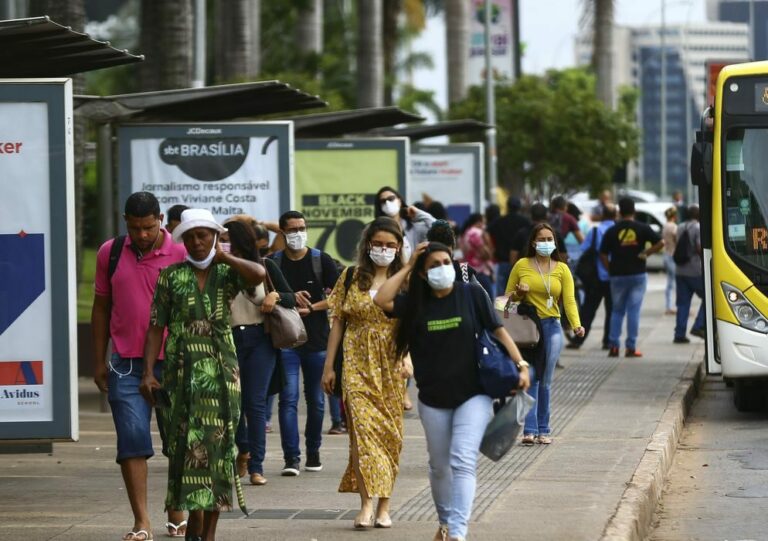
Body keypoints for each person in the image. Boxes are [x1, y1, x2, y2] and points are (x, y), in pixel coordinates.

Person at [374, 241, 530, 541]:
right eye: (433, 265)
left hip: (474, 393)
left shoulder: (471, 294)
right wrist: (407, 265)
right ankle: (445, 523)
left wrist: (521, 364)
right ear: (422, 274)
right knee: (439, 466)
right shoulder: (415, 303)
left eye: (446, 262)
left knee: (462, 459)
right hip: (433, 399)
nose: (442, 268)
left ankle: (457, 532)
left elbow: (498, 329)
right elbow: (381, 300)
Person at [140, 208, 266, 541]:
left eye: (204, 235)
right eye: (191, 237)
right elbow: (156, 327)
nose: (197, 242)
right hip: (180, 376)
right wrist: (148, 372)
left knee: (217, 454)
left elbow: (258, 275)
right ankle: (193, 525)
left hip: (222, 378)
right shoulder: (170, 276)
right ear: (183, 240)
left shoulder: (227, 273)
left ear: (214, 237)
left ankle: (207, 533)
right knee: (184, 454)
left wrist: (225, 258)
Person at [91, 191, 187, 541]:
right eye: (135, 228)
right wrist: (97, 360)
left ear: (161, 220)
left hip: (174, 363)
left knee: (178, 440)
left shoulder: (181, 252)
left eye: (148, 227)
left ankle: (176, 509)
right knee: (131, 441)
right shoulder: (111, 252)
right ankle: (142, 521)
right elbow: (101, 306)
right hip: (125, 365)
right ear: (125, 223)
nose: (142, 235)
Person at [321, 217, 410, 529]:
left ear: (399, 248)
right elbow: (337, 322)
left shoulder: (406, 281)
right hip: (356, 364)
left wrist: (409, 358)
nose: (383, 250)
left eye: (390, 245)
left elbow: (411, 325)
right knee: (361, 436)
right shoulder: (350, 277)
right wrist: (329, 366)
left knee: (389, 437)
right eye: (378, 244)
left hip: (391, 367)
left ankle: (385, 506)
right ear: (367, 245)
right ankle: (366, 504)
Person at [270, 210, 345, 474]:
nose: (298, 234)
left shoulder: (320, 260)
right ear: (282, 233)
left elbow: (339, 296)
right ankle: (292, 458)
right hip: (286, 340)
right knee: (287, 399)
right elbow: (264, 296)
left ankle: (313, 451)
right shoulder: (273, 262)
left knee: (316, 400)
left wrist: (313, 308)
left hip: (317, 341)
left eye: (301, 228)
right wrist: (285, 298)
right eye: (291, 230)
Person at [223, 218, 296, 485]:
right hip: (227, 339)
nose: (223, 245)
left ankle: (257, 466)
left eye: (228, 239)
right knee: (233, 403)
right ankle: (243, 449)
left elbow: (289, 297)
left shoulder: (264, 266)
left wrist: (274, 296)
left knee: (255, 403)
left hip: (259, 339)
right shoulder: (216, 269)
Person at [506, 223, 584, 445]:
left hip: (552, 327)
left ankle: (544, 429)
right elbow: (505, 301)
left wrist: (577, 325)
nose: (546, 243)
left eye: (550, 239)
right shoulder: (522, 265)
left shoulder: (562, 268)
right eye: (542, 239)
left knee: (545, 379)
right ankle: (529, 430)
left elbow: (569, 300)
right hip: (528, 329)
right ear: (533, 242)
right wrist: (519, 295)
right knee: (531, 378)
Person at [599, 198, 664, 357]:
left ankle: (614, 346)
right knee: (633, 311)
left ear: (619, 212)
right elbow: (661, 242)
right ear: (634, 211)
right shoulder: (642, 228)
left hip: (617, 275)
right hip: (637, 274)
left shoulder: (612, 231)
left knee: (617, 311)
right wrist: (646, 253)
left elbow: (602, 253)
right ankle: (631, 347)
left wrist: (610, 269)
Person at [567, 203, 616, 350]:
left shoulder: (595, 231)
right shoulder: (617, 231)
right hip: (614, 277)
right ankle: (608, 341)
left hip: (596, 278)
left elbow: (583, 249)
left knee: (588, 309)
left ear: (602, 216)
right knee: (612, 310)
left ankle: (578, 340)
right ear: (615, 216)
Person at [673, 205, 706, 343]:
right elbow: (699, 247)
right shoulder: (697, 228)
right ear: (698, 215)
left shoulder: (680, 227)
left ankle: (679, 334)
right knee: (710, 297)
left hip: (680, 270)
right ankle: (699, 325)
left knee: (683, 303)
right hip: (694, 271)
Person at [375, 185, 435, 259]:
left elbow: (439, 229)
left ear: (399, 201)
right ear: (380, 207)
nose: (387, 203)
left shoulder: (413, 228)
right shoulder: (376, 230)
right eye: (383, 201)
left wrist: (419, 213)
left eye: (391, 198)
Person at [487, 196, 531, 291]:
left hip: (503, 262)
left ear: (507, 207)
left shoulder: (499, 221)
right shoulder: (525, 222)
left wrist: (492, 249)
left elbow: (486, 232)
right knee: (518, 293)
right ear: (519, 207)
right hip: (520, 263)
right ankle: (514, 307)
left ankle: (502, 306)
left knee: (502, 293)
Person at [427, 219, 479, 284]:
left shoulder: (424, 272)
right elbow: (483, 294)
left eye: (446, 261)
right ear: (453, 244)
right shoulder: (464, 272)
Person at [460, 213, 495, 298]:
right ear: (479, 222)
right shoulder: (476, 233)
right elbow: (486, 254)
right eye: (483, 222)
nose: (484, 225)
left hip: (468, 270)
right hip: (480, 271)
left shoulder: (466, 233)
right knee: (487, 300)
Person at [662, 207, 678, 315]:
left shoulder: (665, 226)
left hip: (666, 254)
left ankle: (669, 306)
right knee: (675, 282)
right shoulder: (673, 226)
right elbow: (677, 239)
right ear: (674, 216)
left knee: (670, 282)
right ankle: (675, 306)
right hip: (673, 255)